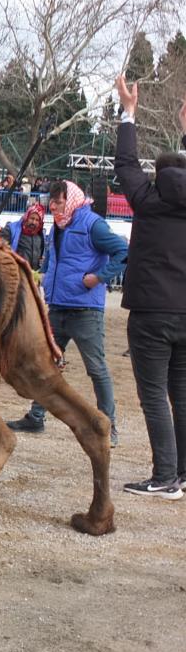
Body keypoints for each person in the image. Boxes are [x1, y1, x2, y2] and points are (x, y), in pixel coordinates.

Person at [7, 180, 127, 446]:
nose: (53, 206)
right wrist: (46, 278)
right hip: (58, 307)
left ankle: (110, 427)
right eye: (52, 201)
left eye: (58, 201)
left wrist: (98, 278)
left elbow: (122, 252)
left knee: (96, 369)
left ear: (71, 199)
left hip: (85, 310)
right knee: (45, 364)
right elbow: (53, 260)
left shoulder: (92, 224)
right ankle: (36, 417)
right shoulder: (59, 227)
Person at [114, 76, 186, 499]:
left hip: (151, 313)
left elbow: (125, 163)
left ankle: (164, 477)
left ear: (158, 175)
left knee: (154, 394)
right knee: (181, 392)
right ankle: (182, 473)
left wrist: (129, 113)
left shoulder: (148, 199)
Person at [0, 200, 46, 270]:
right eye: (32, 218)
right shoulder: (12, 229)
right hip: (16, 273)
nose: (34, 222)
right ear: (27, 217)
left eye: (37, 220)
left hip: (33, 275)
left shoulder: (40, 235)